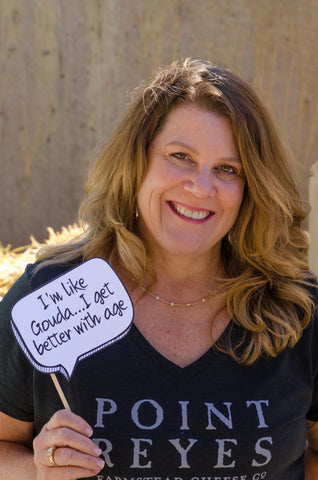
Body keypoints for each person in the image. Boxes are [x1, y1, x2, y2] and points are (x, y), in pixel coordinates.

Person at [0, 57, 317, 480]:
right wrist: (37, 471)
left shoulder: (295, 310)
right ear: (136, 163)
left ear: (250, 187)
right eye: (180, 156)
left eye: (228, 169)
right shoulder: (50, 299)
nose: (201, 188)